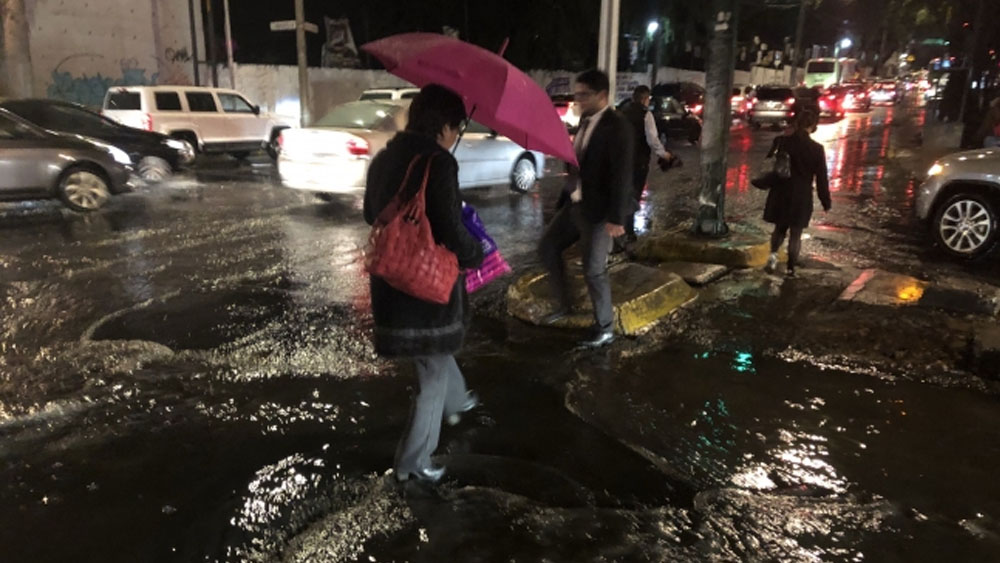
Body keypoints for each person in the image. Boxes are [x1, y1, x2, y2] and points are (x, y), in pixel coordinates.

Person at [363, 84, 484, 484]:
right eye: (456, 126)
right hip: (425, 281)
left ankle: (459, 400)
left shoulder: (386, 156)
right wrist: (474, 252)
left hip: (392, 274)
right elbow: (448, 227)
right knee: (431, 370)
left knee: (433, 354)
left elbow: (370, 213)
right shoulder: (439, 163)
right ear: (443, 125)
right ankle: (413, 465)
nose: (456, 134)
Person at [538, 69, 634, 348]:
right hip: (576, 203)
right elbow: (580, 161)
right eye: (576, 94)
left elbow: (622, 175)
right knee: (547, 247)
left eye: (584, 95)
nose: (578, 100)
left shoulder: (618, 127)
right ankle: (564, 305)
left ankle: (605, 328)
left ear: (601, 95)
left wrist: (616, 218)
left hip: (600, 212)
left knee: (594, 270)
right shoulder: (584, 121)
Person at [762, 108, 831, 278]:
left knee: (779, 228)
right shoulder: (816, 149)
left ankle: (772, 257)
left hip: (781, 191)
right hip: (801, 196)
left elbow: (770, 162)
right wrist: (825, 201)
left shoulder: (782, 142)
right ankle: (790, 269)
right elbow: (821, 178)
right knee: (796, 234)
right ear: (813, 126)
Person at [618, 85, 674, 242]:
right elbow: (652, 139)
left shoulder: (622, 113)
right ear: (645, 99)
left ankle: (621, 228)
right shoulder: (646, 115)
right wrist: (664, 154)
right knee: (634, 194)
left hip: (621, 160)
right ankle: (628, 231)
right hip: (638, 161)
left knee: (623, 192)